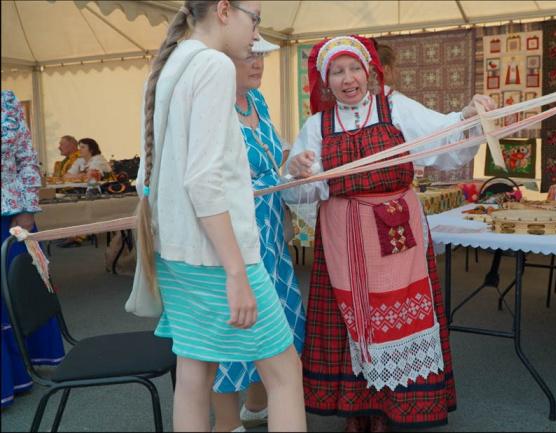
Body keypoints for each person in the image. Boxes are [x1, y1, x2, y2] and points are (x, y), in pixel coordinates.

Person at [284, 35, 495, 432]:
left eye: (354, 69)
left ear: (369, 72)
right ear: (326, 81)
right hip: (344, 239)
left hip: (398, 234)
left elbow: (443, 136)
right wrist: (298, 172)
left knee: (398, 315)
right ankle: (357, 410)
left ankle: (391, 409)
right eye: (337, 72)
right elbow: (299, 192)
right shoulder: (317, 126)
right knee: (352, 318)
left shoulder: (395, 107)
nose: (348, 79)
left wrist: (468, 115)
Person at [133, 2, 305, 431]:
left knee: (195, 374)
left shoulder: (171, 63)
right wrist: (235, 271)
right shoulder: (213, 65)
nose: (256, 33)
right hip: (215, 255)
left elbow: (153, 175)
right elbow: (203, 180)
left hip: (176, 251)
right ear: (225, 10)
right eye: (255, 19)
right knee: (285, 374)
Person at [211, 35, 306, 432]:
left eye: (261, 56)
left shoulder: (258, 101)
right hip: (232, 236)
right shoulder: (213, 107)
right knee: (232, 330)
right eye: (248, 55)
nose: (258, 63)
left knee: (281, 320)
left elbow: (272, 157)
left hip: (269, 233)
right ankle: (227, 423)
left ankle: (257, 406)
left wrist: (292, 165)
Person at [1, 90, 65, 408]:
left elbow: (26, 158)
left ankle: (23, 369)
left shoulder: (7, 101)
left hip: (12, 215)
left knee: (17, 293)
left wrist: (27, 208)